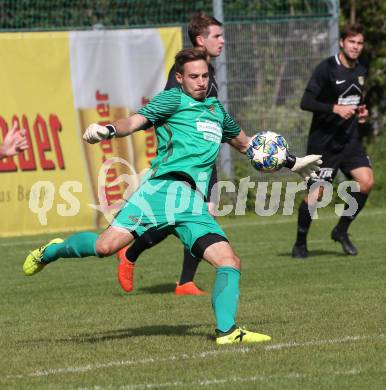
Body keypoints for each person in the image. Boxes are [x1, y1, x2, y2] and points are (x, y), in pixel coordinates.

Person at [23, 48, 321, 344]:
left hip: (192, 204)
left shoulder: (217, 111)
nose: (201, 82)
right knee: (104, 247)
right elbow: (135, 121)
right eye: (193, 76)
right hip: (160, 192)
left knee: (229, 261)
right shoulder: (172, 100)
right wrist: (109, 129)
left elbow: (247, 146)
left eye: (205, 76)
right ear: (180, 78)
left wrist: (293, 163)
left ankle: (228, 332)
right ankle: (52, 251)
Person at [117, 13, 225, 296]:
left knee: (196, 219)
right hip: (184, 163)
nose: (222, 41)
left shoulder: (208, 74)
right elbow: (166, 112)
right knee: (184, 218)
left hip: (204, 160)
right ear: (201, 39)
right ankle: (131, 255)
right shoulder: (183, 78)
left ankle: (183, 281)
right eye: (217, 36)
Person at [292, 23, 373, 259]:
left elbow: (356, 102)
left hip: (349, 140)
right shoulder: (326, 68)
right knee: (317, 194)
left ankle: (341, 230)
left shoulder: (362, 70)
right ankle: (299, 242)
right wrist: (334, 108)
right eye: (352, 42)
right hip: (323, 143)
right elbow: (306, 102)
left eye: (360, 43)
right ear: (342, 42)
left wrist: (361, 115)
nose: (356, 47)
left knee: (366, 182)